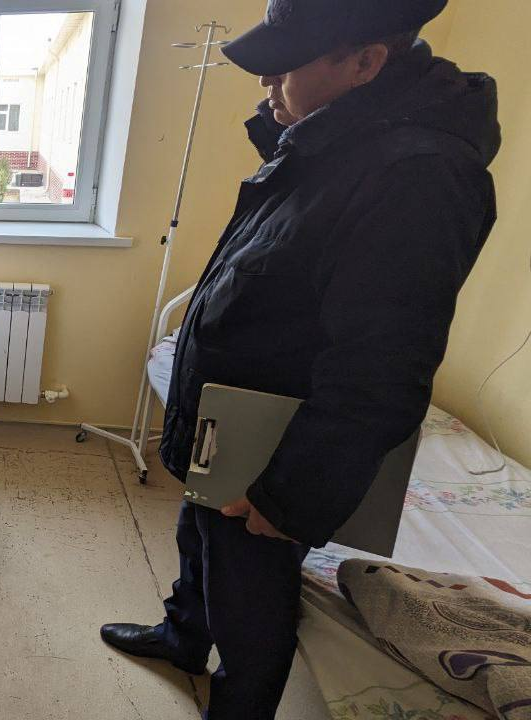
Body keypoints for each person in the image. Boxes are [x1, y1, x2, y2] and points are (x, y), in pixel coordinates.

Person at [99, 1, 499, 717]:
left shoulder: (417, 175)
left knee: (251, 602)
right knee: (198, 536)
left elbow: (381, 366)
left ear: (365, 63)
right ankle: (183, 635)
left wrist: (290, 497)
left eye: (285, 69)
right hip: (231, 427)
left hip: (274, 447)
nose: (267, 84)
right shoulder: (333, 145)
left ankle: (239, 707)